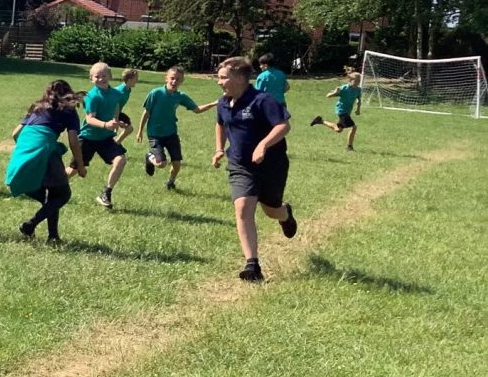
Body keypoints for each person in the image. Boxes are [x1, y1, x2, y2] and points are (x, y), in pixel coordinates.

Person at [213, 56, 297, 283]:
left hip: (271, 165)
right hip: (240, 165)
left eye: (223, 78)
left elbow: (283, 125)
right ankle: (252, 265)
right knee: (242, 207)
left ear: (240, 79)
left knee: (271, 210)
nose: (219, 82)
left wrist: (263, 145)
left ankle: (285, 214)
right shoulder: (223, 102)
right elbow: (220, 124)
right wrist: (219, 149)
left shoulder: (262, 100)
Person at [6, 80, 86, 244]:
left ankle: (53, 237)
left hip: (22, 156)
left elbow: (15, 134)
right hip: (45, 151)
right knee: (62, 194)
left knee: (52, 197)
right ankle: (30, 225)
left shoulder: (36, 107)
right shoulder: (68, 110)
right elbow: (73, 141)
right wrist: (80, 165)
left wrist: (28, 150)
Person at [137, 66, 217, 190]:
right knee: (161, 164)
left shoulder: (180, 96)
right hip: (155, 134)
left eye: (178, 79)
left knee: (177, 163)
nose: (174, 82)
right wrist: (140, 131)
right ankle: (149, 156)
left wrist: (215, 103)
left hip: (171, 133)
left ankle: (171, 182)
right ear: (166, 78)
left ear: (182, 81)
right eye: (172, 78)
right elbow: (146, 113)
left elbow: (197, 109)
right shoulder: (155, 93)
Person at [78, 62, 129, 209]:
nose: (101, 79)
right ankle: (53, 189)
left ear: (110, 76)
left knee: (120, 160)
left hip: (105, 138)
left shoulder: (116, 94)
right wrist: (106, 124)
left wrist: (117, 122)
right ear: (91, 79)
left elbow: (116, 107)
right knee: (74, 169)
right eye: (97, 76)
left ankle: (106, 193)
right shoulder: (92, 96)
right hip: (88, 138)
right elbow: (90, 119)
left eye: (104, 75)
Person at [311, 70, 362, 151]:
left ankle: (320, 121)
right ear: (350, 80)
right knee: (353, 127)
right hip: (341, 110)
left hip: (347, 111)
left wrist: (358, 108)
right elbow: (328, 95)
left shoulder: (358, 89)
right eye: (357, 80)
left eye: (359, 81)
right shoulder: (343, 88)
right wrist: (335, 93)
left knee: (338, 130)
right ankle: (349, 146)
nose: (358, 82)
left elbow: (358, 99)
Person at [113, 68, 139, 143]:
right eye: (135, 79)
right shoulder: (120, 91)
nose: (137, 81)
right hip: (111, 113)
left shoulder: (128, 89)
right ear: (129, 80)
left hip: (118, 113)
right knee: (112, 133)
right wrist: (116, 121)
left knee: (129, 128)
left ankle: (116, 143)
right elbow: (113, 106)